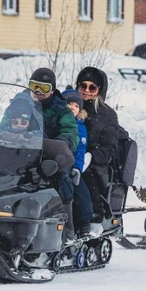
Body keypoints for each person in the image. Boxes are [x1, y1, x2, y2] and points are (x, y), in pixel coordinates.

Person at [0, 68, 79, 242]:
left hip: (48, 156)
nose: (38, 92)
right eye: (34, 86)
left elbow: (71, 133)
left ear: (52, 90)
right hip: (16, 153)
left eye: (43, 88)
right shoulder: (19, 103)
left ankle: (67, 230)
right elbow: (3, 125)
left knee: (62, 178)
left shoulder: (61, 109)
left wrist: (60, 144)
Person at [77, 66, 120, 223]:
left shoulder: (107, 115)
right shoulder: (70, 105)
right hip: (67, 156)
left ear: (99, 90)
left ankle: (93, 218)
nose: (87, 90)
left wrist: (90, 156)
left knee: (86, 176)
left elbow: (109, 148)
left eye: (92, 87)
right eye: (83, 86)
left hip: (94, 163)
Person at [62, 86, 102, 237]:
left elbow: (80, 151)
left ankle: (85, 221)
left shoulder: (80, 127)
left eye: (76, 105)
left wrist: (77, 168)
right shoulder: (56, 121)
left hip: (70, 164)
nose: (72, 107)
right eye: (69, 104)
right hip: (54, 162)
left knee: (80, 190)